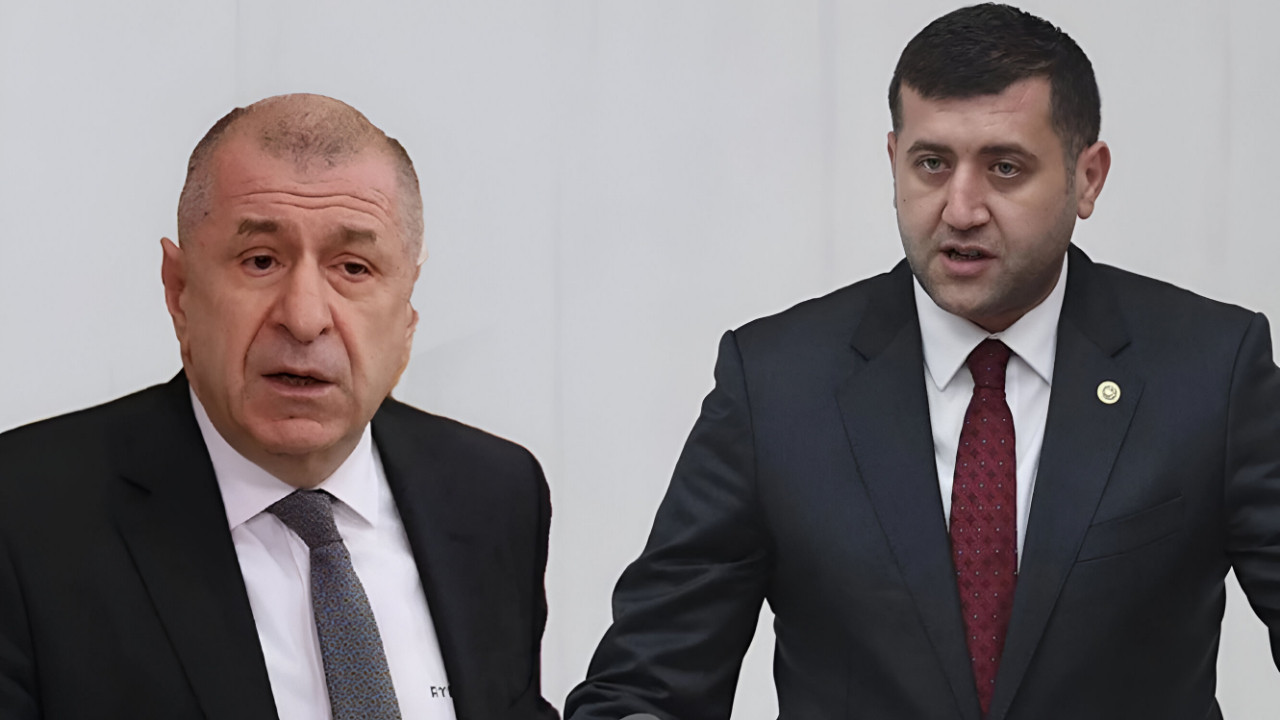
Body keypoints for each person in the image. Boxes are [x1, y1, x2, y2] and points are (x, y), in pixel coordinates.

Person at [566, 4, 1280, 719]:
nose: (960, 209)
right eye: (932, 164)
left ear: (1087, 177)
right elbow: (646, 685)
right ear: (893, 162)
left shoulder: (1211, 373)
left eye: (1004, 168)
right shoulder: (777, 386)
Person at [0, 94, 559, 720]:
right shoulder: (25, 516)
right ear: (179, 292)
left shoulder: (494, 495)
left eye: (353, 268)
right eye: (261, 261)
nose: (304, 316)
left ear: (407, 311)